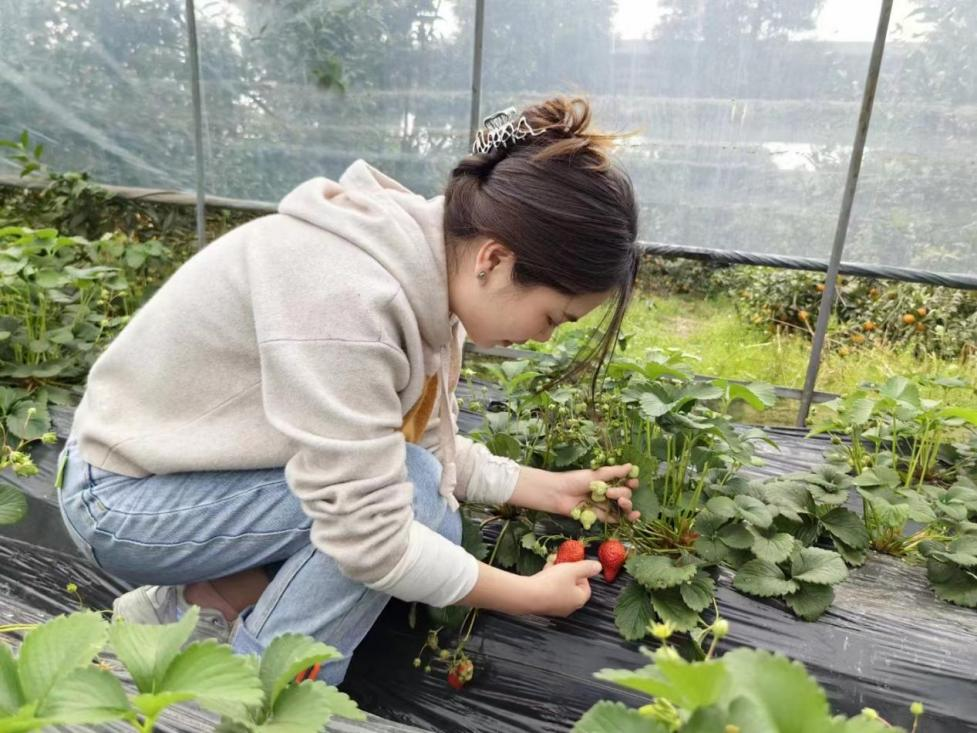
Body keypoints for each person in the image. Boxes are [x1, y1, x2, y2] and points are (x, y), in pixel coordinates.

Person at [56, 96, 641, 684]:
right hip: (121, 499)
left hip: (194, 476)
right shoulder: (349, 298)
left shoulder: (427, 274)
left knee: (424, 502)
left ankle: (190, 610)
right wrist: (527, 595)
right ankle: (260, 695)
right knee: (409, 507)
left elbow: (401, 446)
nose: (544, 337)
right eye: (553, 317)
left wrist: (549, 489)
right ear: (495, 258)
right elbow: (371, 537)